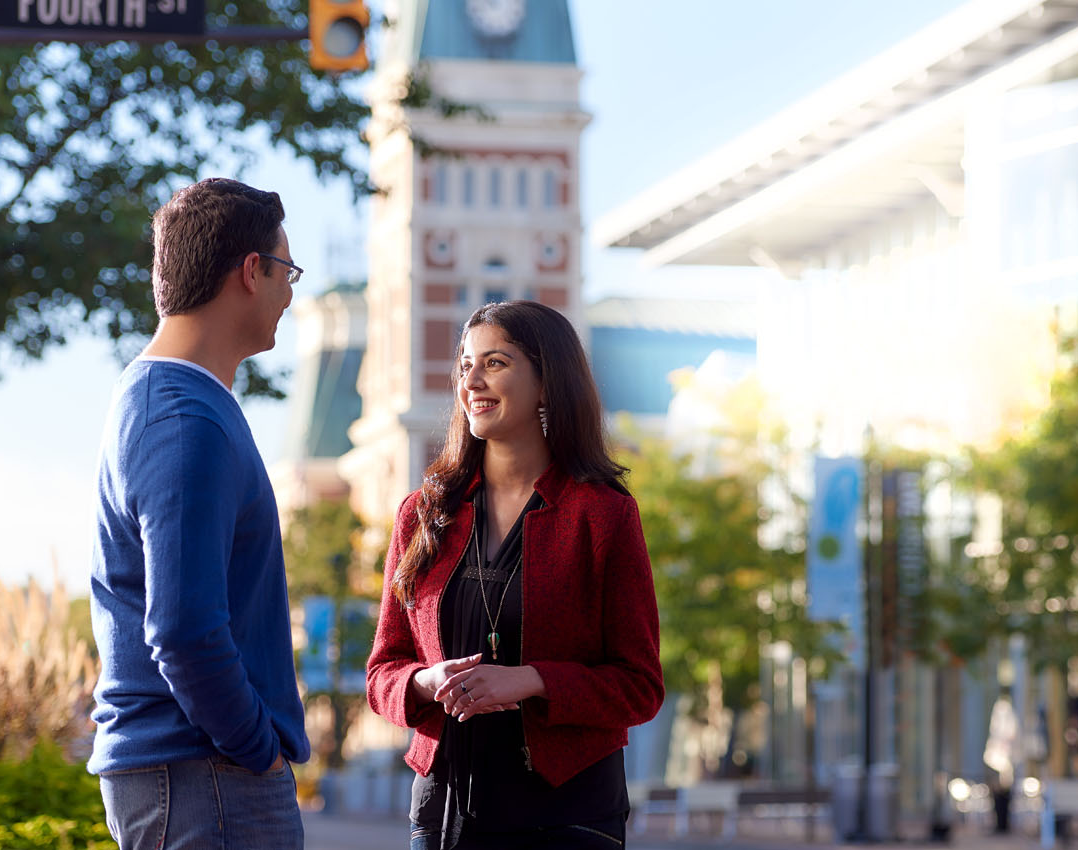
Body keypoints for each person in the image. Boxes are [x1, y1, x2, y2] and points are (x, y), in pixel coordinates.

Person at [367, 300, 665, 850]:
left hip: (570, 817)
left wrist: (532, 680)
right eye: (464, 365)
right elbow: (382, 671)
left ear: (547, 381)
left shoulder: (603, 514)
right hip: (443, 815)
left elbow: (640, 687)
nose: (471, 380)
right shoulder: (422, 514)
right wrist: (424, 683)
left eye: (495, 363)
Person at [87, 177, 310, 850]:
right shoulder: (186, 419)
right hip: (205, 779)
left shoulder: (168, 402)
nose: (290, 293)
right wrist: (257, 749)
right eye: (287, 271)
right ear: (251, 271)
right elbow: (184, 629)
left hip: (193, 776)